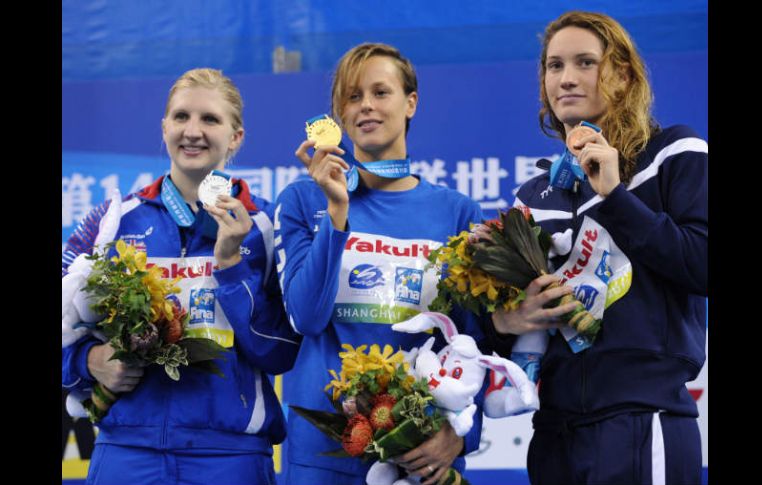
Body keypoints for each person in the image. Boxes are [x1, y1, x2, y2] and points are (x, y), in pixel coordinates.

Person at [480, 11, 708, 485]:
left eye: (585, 63)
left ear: (622, 76)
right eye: (554, 65)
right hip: (554, 430)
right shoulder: (533, 196)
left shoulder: (673, 153)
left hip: (644, 418)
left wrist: (615, 196)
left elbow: (700, 264)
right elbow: (505, 331)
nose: (566, 78)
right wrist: (504, 322)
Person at [61, 68, 300, 485]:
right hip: (127, 452)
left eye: (210, 119)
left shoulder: (263, 227)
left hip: (230, 457)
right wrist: (89, 361)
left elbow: (279, 353)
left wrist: (230, 265)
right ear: (164, 127)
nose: (193, 131)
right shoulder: (114, 222)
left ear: (236, 136)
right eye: (181, 117)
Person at [274, 43, 487, 485]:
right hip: (323, 456)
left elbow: (473, 344)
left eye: (380, 92)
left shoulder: (457, 212)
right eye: (353, 97)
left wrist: (460, 434)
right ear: (338, 115)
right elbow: (306, 318)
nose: (366, 106)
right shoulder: (302, 200)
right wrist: (336, 214)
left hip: (420, 454)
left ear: (411, 102)